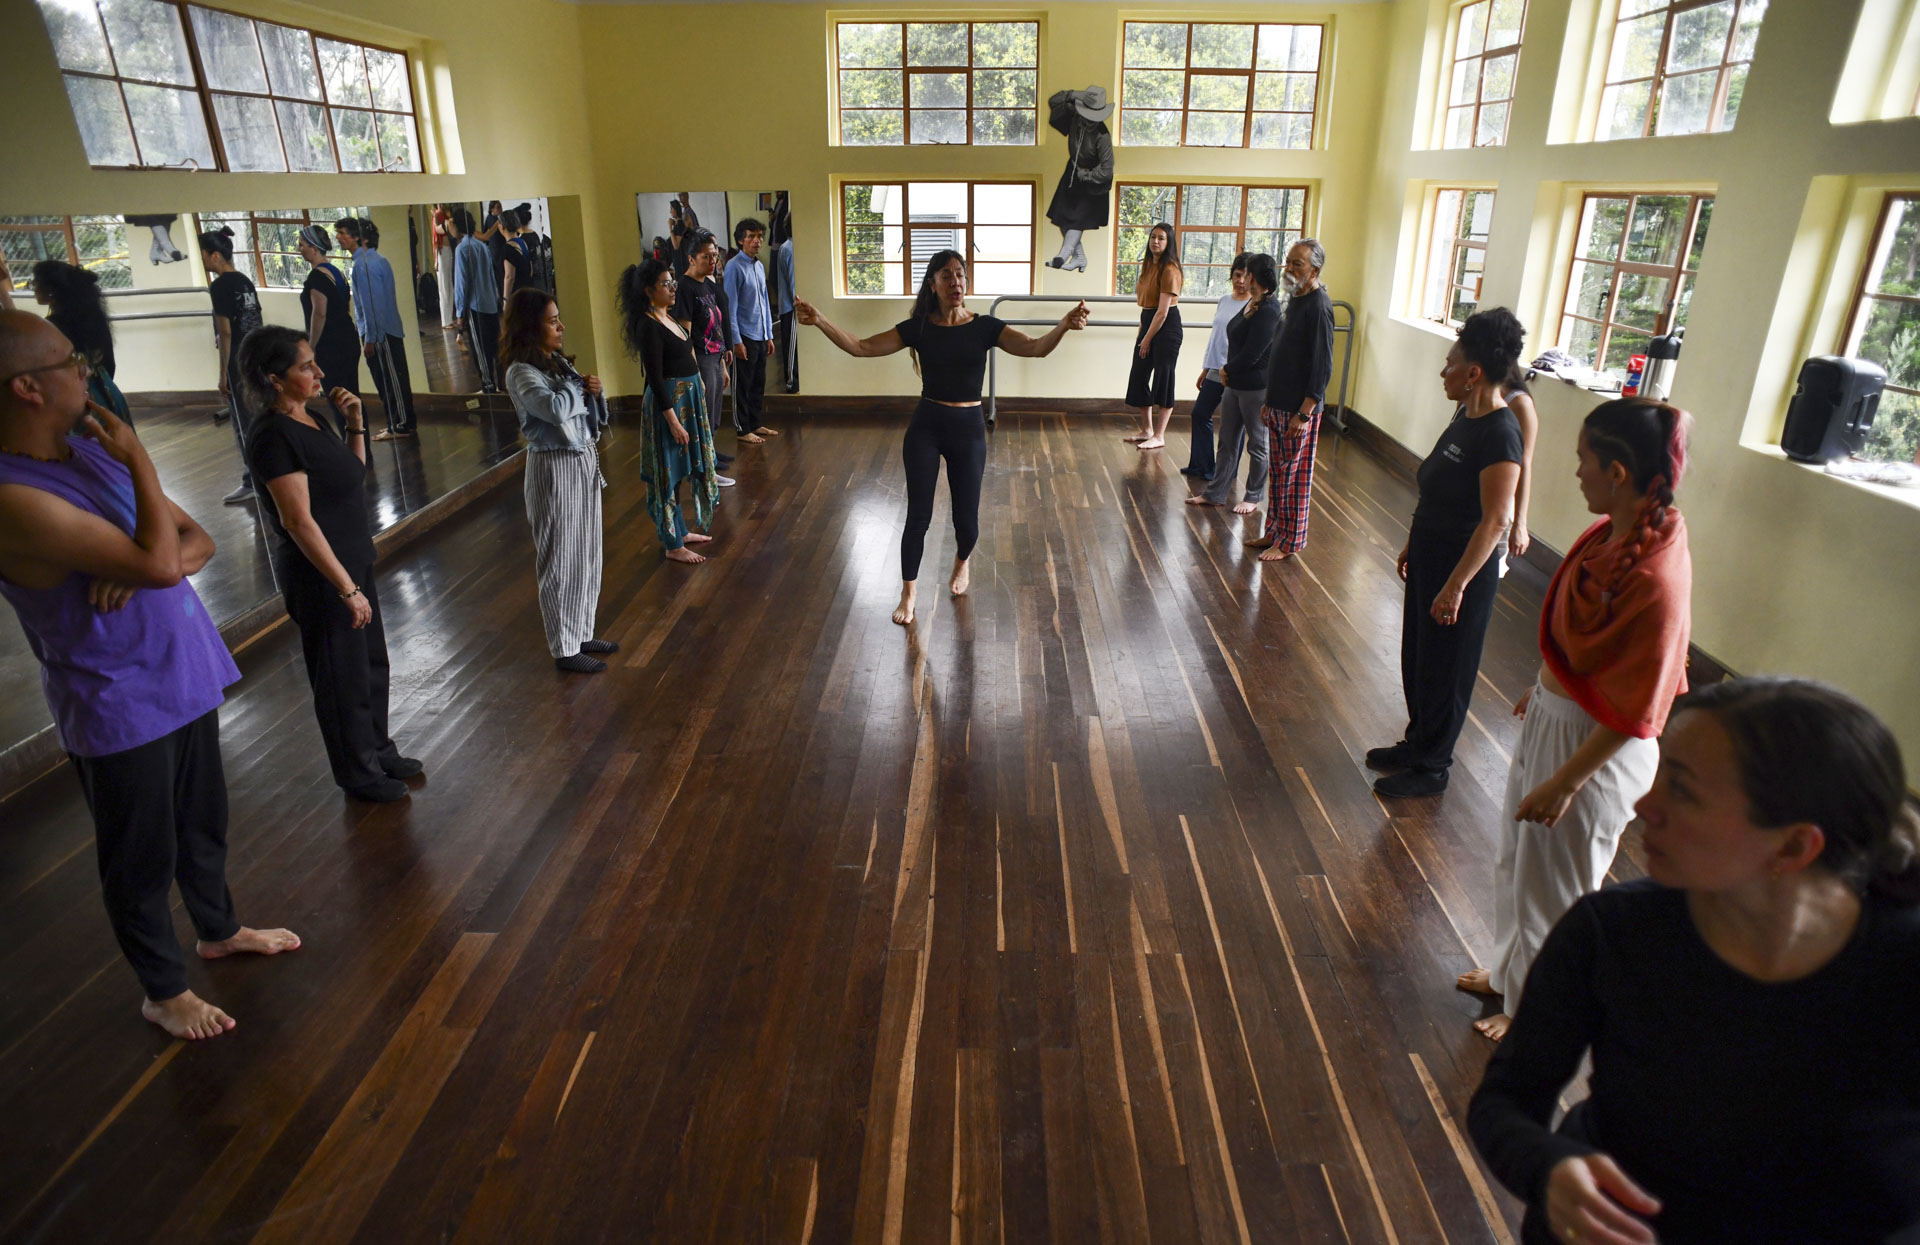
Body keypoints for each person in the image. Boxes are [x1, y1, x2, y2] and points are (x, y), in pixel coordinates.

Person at [1468, 676, 1920, 1245]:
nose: (1644, 805)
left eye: (1682, 790)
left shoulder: (1902, 967)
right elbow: (1506, 1099)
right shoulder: (1612, 931)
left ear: (1793, 846)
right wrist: (1549, 1168)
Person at [0, 310, 300, 1040]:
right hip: (116, 699)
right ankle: (163, 992)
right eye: (71, 361)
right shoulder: (13, 496)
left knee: (201, 822)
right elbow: (167, 560)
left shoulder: (87, 453)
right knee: (140, 854)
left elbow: (195, 543)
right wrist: (140, 468)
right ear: (26, 388)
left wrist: (141, 566)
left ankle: (218, 929)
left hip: (177, 671)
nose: (87, 370)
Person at [1460, 398, 1693, 1041]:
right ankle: (1510, 973)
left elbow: (1641, 707)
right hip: (1559, 719)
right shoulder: (1608, 533)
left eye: (1584, 460)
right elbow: (1587, 646)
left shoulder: (1657, 575)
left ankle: (1538, 1009)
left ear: (1617, 472)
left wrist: (1567, 781)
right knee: (1518, 860)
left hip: (1595, 749)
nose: (1576, 471)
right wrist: (1544, 688)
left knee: (1559, 888)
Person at [795, 251, 1089, 625]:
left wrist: (1063, 325)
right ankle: (909, 593)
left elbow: (1034, 348)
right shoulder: (919, 327)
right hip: (927, 427)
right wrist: (820, 320)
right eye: (947, 276)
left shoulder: (985, 327)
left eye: (961, 275)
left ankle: (962, 561)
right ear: (932, 284)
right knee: (918, 517)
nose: (956, 282)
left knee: (966, 522)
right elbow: (862, 347)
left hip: (969, 430)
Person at [240, 326, 421, 801]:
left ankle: (378, 751)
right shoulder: (273, 436)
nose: (319, 372)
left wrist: (356, 422)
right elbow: (297, 521)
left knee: (370, 664)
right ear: (274, 379)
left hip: (351, 561)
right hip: (321, 575)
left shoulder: (312, 418)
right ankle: (358, 773)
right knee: (342, 676)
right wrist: (345, 587)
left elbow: (350, 476)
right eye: (306, 366)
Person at [1370, 308, 1526, 799]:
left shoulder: (1500, 432)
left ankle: (1433, 767)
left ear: (1473, 373)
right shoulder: (1464, 417)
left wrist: (1457, 585)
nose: (1443, 372)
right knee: (1419, 658)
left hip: (1463, 570)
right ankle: (1417, 742)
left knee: (1448, 668)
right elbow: (1437, 490)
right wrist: (1413, 542)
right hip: (1430, 556)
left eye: (1449, 364)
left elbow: (1495, 520)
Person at [501, 287, 617, 670]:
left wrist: (595, 393)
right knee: (559, 559)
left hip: (581, 460)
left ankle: (581, 632)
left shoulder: (557, 365)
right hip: (553, 468)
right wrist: (576, 386)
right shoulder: (521, 372)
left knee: (587, 552)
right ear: (531, 327)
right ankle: (564, 649)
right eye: (552, 322)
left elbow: (590, 418)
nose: (561, 327)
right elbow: (553, 410)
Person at [620, 259, 720, 566]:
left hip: (687, 403)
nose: (673, 288)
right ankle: (672, 544)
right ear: (649, 290)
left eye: (672, 282)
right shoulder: (647, 325)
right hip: (669, 408)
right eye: (666, 284)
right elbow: (655, 378)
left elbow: (687, 353)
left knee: (680, 470)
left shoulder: (669, 318)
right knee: (668, 474)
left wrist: (699, 381)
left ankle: (680, 531)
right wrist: (674, 422)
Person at [1248, 239, 1336, 562]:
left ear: (1314, 271)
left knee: (1294, 478)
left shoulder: (1319, 305)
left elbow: (1323, 365)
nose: (1289, 268)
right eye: (1288, 261)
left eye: (1298, 264)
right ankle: (1274, 532)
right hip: (1279, 404)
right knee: (1279, 474)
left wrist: (1305, 412)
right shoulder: (1293, 298)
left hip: (1299, 410)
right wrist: (1269, 401)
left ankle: (1289, 542)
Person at [1187, 253, 1282, 514]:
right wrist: (1224, 371)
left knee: (1257, 444)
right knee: (1227, 442)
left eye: (1246, 272)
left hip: (1255, 388)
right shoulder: (1252, 303)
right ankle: (1215, 493)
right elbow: (1233, 334)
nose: (1242, 278)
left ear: (1253, 276)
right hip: (1234, 384)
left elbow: (1253, 354)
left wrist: (1225, 369)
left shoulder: (1270, 309)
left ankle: (1253, 496)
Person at [335, 217, 416, 441]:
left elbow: (372, 306)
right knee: (392, 379)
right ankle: (399, 424)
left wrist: (371, 339)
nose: (338, 237)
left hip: (380, 334)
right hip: (384, 332)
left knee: (390, 381)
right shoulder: (374, 260)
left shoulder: (364, 265)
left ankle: (400, 426)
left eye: (343, 233)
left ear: (360, 238)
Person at [199, 226, 264, 504]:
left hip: (237, 360)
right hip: (254, 357)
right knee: (257, 417)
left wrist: (223, 375)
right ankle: (265, 476)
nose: (202, 260)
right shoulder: (245, 281)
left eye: (203, 254)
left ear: (215, 255)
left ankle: (254, 481)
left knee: (243, 422)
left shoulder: (220, 286)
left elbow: (225, 333)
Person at [672, 230, 736, 487]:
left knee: (715, 416)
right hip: (701, 359)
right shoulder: (686, 288)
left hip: (714, 358)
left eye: (714, 256)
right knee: (704, 417)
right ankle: (704, 473)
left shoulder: (708, 285)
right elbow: (685, 335)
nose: (712, 261)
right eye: (706, 257)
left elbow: (716, 326)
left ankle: (709, 464)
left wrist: (723, 364)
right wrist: (696, 372)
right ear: (691, 259)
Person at [31, 259, 130, 425]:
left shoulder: (52, 327)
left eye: (35, 283)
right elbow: (109, 365)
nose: (33, 288)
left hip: (77, 401)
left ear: (51, 291)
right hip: (107, 394)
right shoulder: (94, 319)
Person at [1181, 252, 1250, 479]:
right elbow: (1216, 338)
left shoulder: (1255, 306)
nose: (1240, 281)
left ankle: (1227, 472)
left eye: (1245, 276)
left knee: (1234, 425)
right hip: (1214, 368)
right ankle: (1202, 466)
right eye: (1237, 275)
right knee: (1200, 413)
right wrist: (1205, 368)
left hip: (1236, 372)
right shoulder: (1224, 300)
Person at [297, 224, 364, 450]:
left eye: (302, 245)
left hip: (331, 346)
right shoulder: (336, 272)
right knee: (352, 396)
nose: (299, 249)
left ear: (315, 248)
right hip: (348, 339)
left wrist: (311, 347)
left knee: (338, 399)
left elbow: (320, 313)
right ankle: (361, 447)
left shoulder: (317, 277)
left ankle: (351, 449)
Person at [1124, 222, 1182, 450]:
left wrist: (1147, 339)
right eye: (1153, 237)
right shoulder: (1149, 265)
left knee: (1163, 379)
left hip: (1166, 327)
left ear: (1169, 243)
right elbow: (1146, 309)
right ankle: (1147, 430)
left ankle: (1159, 435)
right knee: (1138, 376)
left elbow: (1162, 312)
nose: (1155, 241)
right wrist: (1141, 336)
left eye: (1161, 238)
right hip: (1149, 321)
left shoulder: (1170, 269)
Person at [1045, 86, 1114, 272]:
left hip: (1093, 181)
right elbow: (1053, 101)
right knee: (1062, 216)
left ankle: (1063, 254)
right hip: (1073, 172)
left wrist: (1087, 175)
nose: (1090, 121)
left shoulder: (1102, 137)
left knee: (1077, 220)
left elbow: (1107, 171)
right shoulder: (1074, 117)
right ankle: (1080, 257)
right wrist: (1075, 95)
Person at [724, 217, 779, 444]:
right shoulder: (733, 267)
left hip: (760, 334)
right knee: (742, 386)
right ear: (741, 240)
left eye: (760, 237)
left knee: (758, 383)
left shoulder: (758, 265)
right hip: (744, 335)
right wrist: (736, 341)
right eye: (751, 237)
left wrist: (769, 335)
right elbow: (730, 307)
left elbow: (764, 302)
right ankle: (742, 428)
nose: (757, 241)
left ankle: (755, 423)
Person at [450, 208, 501, 394]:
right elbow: (491, 276)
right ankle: (501, 385)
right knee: (495, 347)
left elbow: (462, 284)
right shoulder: (482, 246)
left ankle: (488, 387)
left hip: (475, 306)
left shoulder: (462, 249)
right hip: (491, 303)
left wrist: (460, 314)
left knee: (481, 350)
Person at [1504, 367, 1539, 561]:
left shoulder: (1519, 404)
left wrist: (1520, 523)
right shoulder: (1467, 394)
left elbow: (1524, 464)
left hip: (1496, 506)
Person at [431, 204, 458, 331]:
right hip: (442, 252)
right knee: (444, 287)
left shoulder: (445, 215)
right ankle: (445, 320)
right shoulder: (437, 215)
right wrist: (436, 259)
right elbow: (436, 235)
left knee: (449, 286)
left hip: (448, 251)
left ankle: (449, 318)